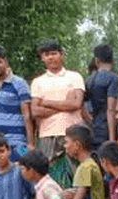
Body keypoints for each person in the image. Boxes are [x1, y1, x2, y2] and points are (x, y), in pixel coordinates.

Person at [30, 40, 85, 188]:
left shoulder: (75, 77)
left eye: (54, 53)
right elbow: (35, 111)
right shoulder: (38, 82)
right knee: (50, 177)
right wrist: (65, 105)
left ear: (61, 54)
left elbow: (76, 104)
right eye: (46, 54)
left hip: (73, 133)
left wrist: (46, 102)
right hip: (47, 135)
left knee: (77, 175)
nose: (50, 57)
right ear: (42, 58)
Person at [0, 45, 33, 159]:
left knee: (21, 172)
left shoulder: (19, 83)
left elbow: (27, 115)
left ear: (5, 62)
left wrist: (30, 144)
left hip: (19, 143)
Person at [82, 44, 118, 149]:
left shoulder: (89, 79)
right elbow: (111, 110)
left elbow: (81, 105)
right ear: (112, 59)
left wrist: (89, 120)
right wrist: (112, 139)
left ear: (96, 60)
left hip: (94, 127)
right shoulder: (113, 78)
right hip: (107, 128)